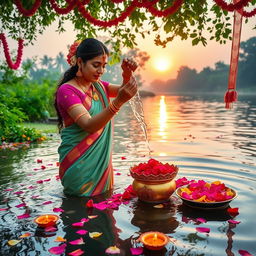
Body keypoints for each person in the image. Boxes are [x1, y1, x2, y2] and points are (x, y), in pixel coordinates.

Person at [54, 38, 138, 197]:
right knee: (80, 212)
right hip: (79, 168)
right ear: (80, 62)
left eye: (104, 66)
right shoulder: (67, 90)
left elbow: (125, 90)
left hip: (102, 169)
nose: (101, 71)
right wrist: (117, 102)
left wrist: (127, 74)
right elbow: (89, 125)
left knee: (104, 211)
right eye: (96, 65)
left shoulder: (98, 86)